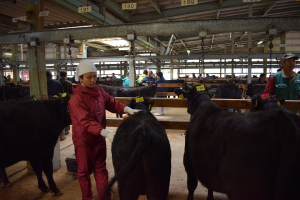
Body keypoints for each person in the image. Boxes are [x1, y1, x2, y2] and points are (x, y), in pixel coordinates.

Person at [68, 60, 141, 200]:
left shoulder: (99, 91)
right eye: (89, 77)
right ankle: (87, 197)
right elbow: (86, 121)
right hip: (84, 141)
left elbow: (111, 102)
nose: (93, 79)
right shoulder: (76, 99)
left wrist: (127, 109)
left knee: (101, 169)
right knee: (83, 172)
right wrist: (105, 132)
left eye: (95, 76)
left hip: (99, 139)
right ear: (80, 78)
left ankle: (104, 197)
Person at [46, 71, 65, 141]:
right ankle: (62, 135)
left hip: (47, 103)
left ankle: (51, 135)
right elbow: (62, 93)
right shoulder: (58, 82)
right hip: (57, 102)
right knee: (59, 118)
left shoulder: (44, 83)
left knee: (49, 119)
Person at [59, 71, 73, 136]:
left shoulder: (57, 82)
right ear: (66, 75)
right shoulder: (69, 83)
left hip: (59, 100)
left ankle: (62, 132)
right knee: (67, 114)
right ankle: (67, 130)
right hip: (67, 101)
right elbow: (72, 93)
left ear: (60, 75)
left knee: (60, 114)